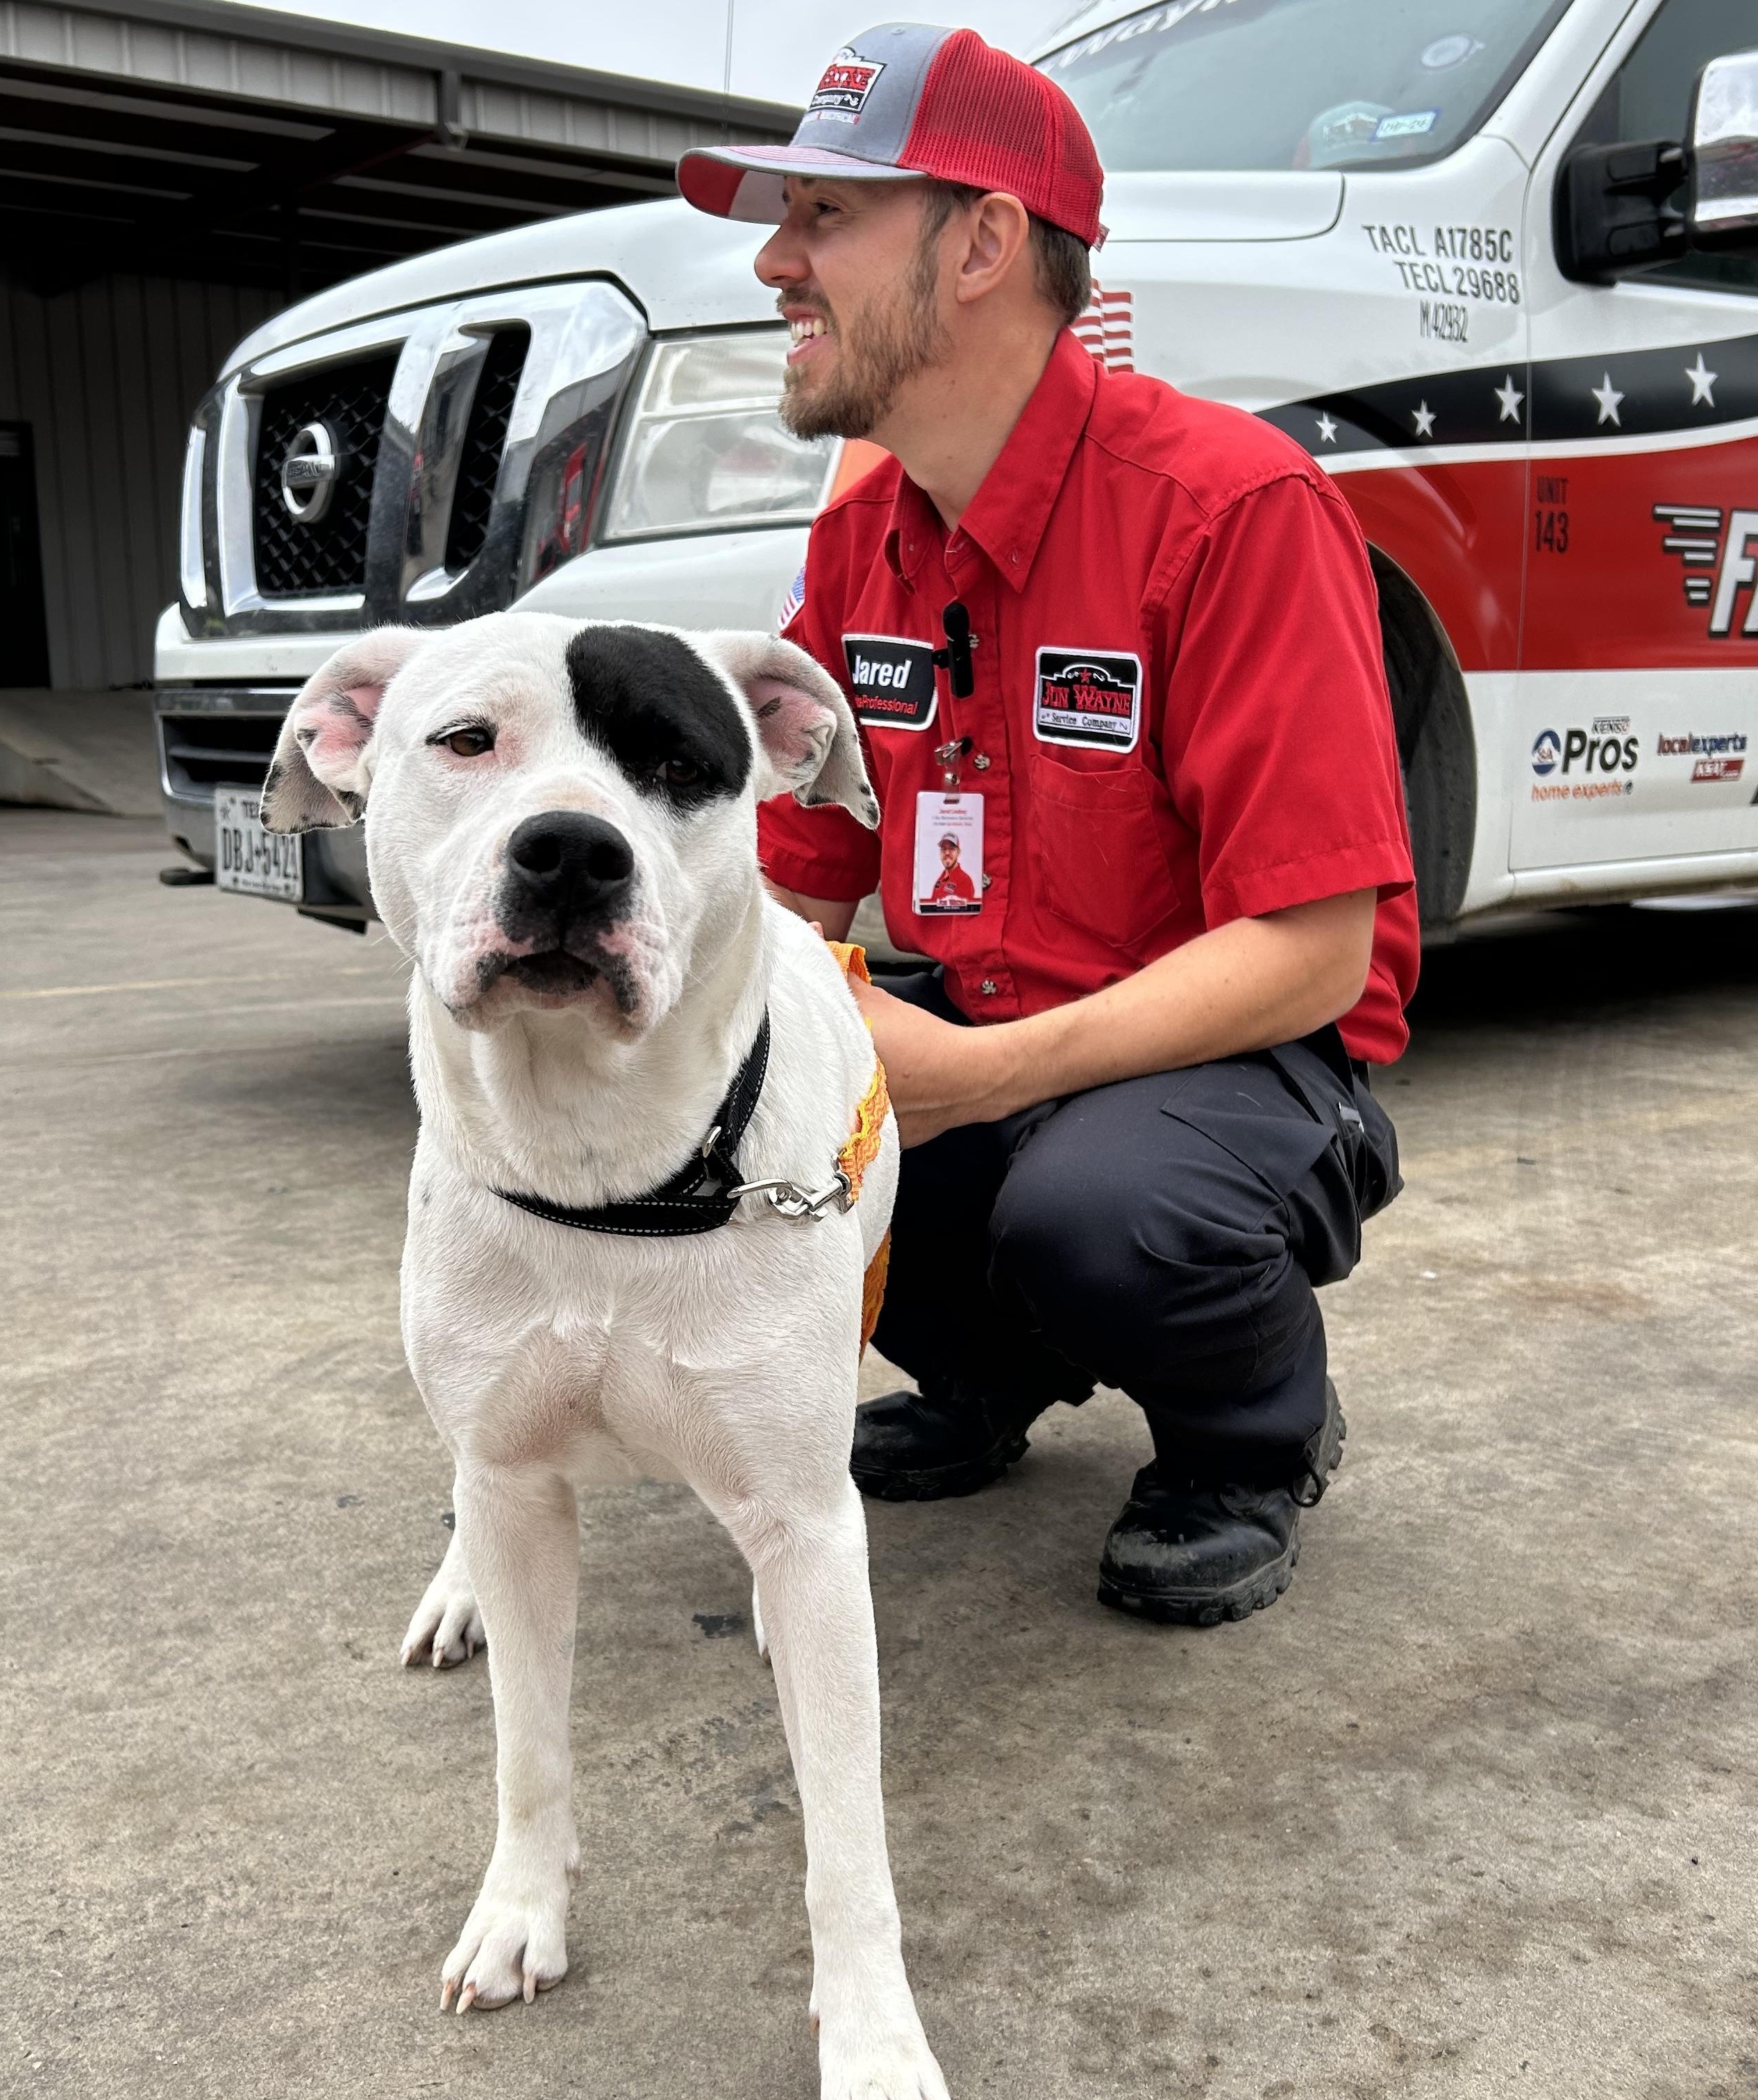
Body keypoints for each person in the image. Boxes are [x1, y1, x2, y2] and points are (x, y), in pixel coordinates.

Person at [677, 22, 1415, 1627]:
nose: (774, 265)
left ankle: (1249, 1436)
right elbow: (800, 895)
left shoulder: (1233, 508)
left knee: (1104, 1212)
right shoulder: (867, 531)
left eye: (825, 219)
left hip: (1243, 1067)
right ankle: (990, 1373)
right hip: (995, 1027)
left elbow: (1315, 952)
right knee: (746, 1134)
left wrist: (968, 1084)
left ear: (984, 244)